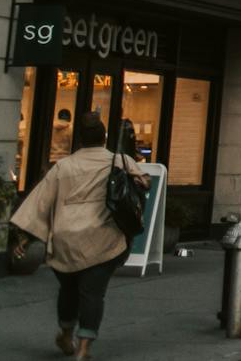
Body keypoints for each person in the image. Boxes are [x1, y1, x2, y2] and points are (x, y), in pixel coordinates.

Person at [10, 112, 148, 359]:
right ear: (104, 137)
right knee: (93, 292)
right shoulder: (120, 162)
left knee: (69, 289)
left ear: (80, 140)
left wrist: (26, 237)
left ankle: (65, 333)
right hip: (102, 238)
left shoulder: (63, 166)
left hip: (65, 238)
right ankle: (83, 346)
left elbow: (40, 203)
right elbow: (143, 184)